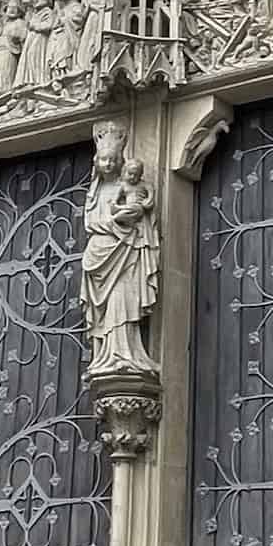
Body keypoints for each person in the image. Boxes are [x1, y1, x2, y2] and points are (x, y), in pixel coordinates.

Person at [81, 126, 161, 377]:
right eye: (103, 159)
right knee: (105, 309)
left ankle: (127, 355)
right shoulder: (95, 192)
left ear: (121, 161)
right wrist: (114, 224)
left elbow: (143, 217)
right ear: (97, 161)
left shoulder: (129, 185)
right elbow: (90, 222)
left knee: (124, 298)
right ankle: (104, 356)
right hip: (99, 253)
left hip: (127, 252)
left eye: (113, 160)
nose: (108, 164)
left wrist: (135, 217)